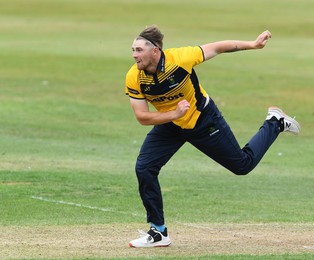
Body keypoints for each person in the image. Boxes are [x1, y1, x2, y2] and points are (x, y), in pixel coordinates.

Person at [125, 25, 300, 248]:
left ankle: (275, 122)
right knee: (145, 168)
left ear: (155, 51)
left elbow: (218, 48)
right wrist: (174, 114)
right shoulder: (134, 76)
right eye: (133, 50)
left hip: (204, 120)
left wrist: (253, 45)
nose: (134, 55)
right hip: (171, 124)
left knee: (242, 166)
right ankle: (158, 232)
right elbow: (142, 117)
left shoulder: (180, 59)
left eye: (139, 50)